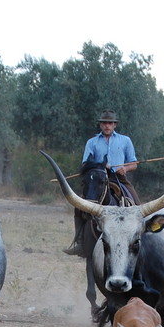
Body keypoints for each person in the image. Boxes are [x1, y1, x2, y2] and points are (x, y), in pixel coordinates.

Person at [64, 109, 140, 256]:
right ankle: (80, 242)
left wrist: (125, 168)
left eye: (110, 123)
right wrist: (101, 165)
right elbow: (85, 163)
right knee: (79, 206)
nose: (107, 126)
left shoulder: (125, 140)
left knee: (136, 204)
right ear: (100, 125)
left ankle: (141, 238)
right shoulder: (91, 142)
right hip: (97, 179)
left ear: (114, 125)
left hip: (119, 178)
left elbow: (134, 163)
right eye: (104, 123)